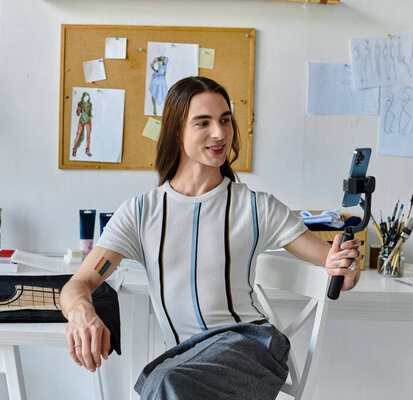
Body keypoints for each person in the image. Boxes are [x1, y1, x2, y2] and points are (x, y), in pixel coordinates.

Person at [60, 76, 362, 400]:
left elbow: (336, 267)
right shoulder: (140, 213)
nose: (220, 134)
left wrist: (345, 265)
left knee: (164, 382)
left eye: (225, 120)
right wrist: (82, 313)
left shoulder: (256, 207)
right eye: (203, 122)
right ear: (177, 130)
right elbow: (78, 285)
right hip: (187, 362)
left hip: (252, 346)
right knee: (163, 379)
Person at [72, 92, 93, 157]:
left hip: (88, 121)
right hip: (81, 121)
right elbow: (78, 114)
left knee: (88, 136)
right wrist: (80, 110)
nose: (86, 98)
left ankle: (87, 151)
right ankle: (74, 150)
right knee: (78, 135)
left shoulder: (90, 104)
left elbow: (90, 113)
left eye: (87, 97)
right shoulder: (80, 103)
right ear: (83, 97)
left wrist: (90, 113)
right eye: (85, 97)